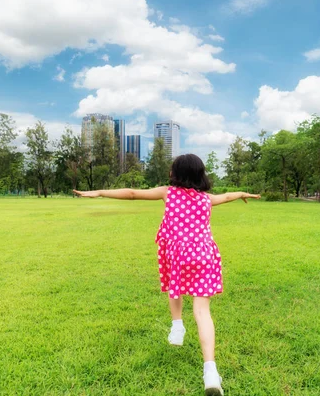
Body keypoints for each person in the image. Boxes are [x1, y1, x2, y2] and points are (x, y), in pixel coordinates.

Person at [73, 154, 260, 396]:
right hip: (204, 255)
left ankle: (177, 326)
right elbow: (226, 196)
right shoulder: (206, 199)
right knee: (203, 312)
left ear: (176, 174)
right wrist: (243, 194)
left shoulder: (168, 192)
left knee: (176, 287)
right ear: (200, 174)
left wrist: (98, 192)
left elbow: (132, 193)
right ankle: (211, 372)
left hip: (179, 255)